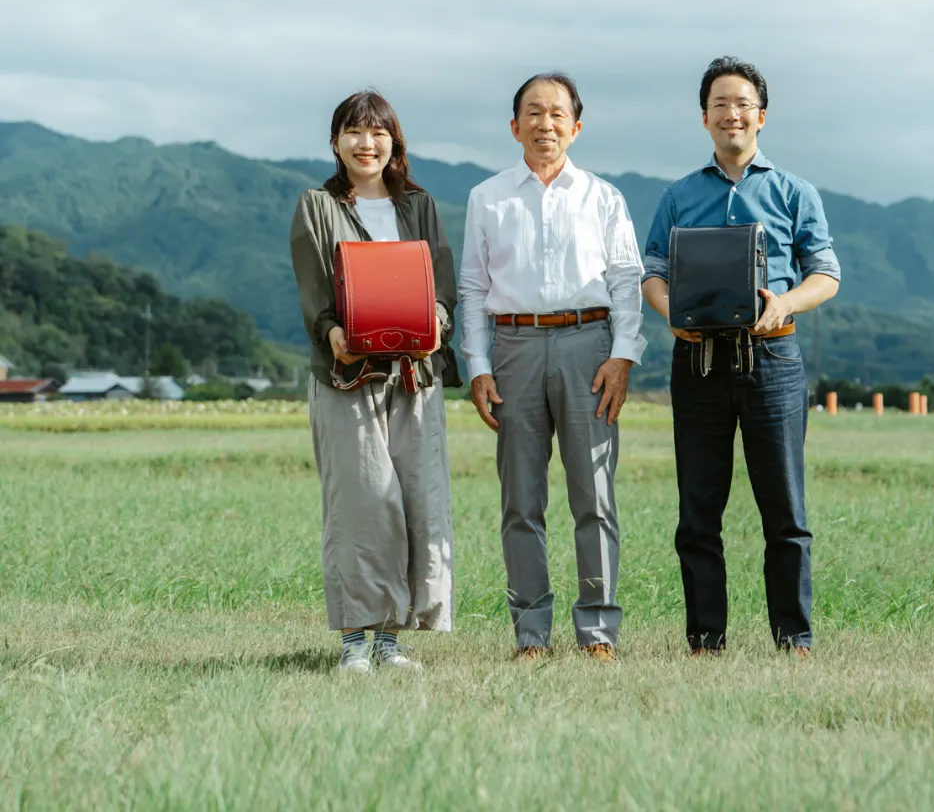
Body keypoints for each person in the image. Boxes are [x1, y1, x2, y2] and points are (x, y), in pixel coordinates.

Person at [641, 57, 840, 656]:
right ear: (705, 118)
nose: (733, 113)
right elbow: (650, 272)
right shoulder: (679, 195)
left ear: (762, 116)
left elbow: (825, 274)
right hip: (697, 361)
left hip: (772, 361)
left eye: (743, 103)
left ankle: (794, 638)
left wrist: (785, 304)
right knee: (698, 510)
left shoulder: (795, 192)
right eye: (721, 103)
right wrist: (671, 312)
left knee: (785, 508)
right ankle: (705, 639)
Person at [459, 73, 645, 661]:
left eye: (557, 114)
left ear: (576, 126)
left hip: (589, 347)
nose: (545, 124)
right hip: (512, 347)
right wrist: (478, 365)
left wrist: (622, 357)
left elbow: (626, 284)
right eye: (533, 113)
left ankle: (598, 631)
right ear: (514, 126)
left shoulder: (603, 197)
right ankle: (531, 633)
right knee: (521, 500)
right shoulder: (488, 197)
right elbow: (471, 288)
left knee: (594, 493)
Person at [290, 90, 459, 673]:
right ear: (336, 142)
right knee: (362, 504)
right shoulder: (317, 205)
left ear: (394, 141)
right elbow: (314, 285)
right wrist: (332, 331)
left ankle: (391, 642)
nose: (367, 143)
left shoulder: (419, 203)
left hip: (415, 372)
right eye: (354, 132)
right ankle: (354, 643)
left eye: (378, 132)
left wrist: (438, 319)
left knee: (416, 500)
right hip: (348, 376)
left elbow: (442, 284)